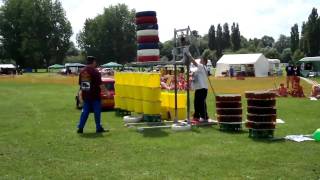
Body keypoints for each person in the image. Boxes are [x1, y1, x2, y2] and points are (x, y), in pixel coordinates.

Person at [77, 56, 107, 133]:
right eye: (95, 62)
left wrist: (81, 96)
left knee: (85, 112)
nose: (96, 63)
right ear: (93, 62)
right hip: (95, 96)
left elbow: (82, 86)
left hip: (86, 96)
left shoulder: (83, 72)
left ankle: (80, 127)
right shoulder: (95, 72)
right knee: (97, 112)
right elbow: (100, 84)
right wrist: (107, 93)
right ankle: (98, 128)